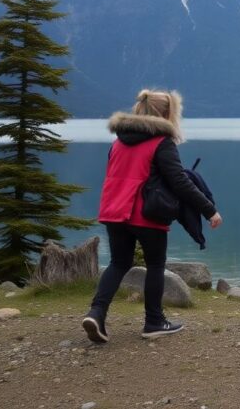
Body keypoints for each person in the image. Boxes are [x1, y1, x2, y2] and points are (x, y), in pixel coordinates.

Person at [83, 89, 223, 343]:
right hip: (146, 214)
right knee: (156, 265)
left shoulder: (119, 142)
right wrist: (209, 209)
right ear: (167, 114)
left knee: (118, 263)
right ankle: (154, 322)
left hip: (114, 212)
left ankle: (96, 313)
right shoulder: (162, 142)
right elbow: (179, 182)